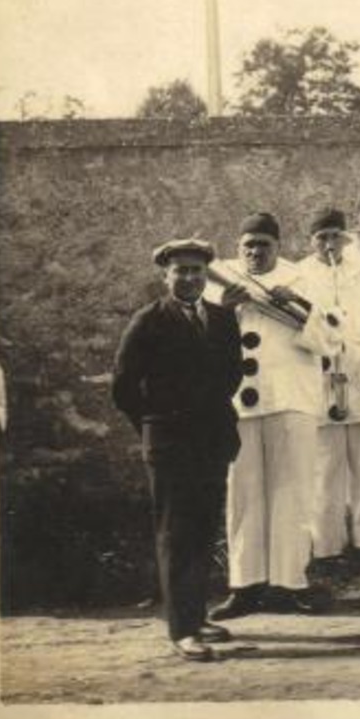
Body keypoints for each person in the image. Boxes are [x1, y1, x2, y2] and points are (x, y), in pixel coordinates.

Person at [112, 239, 243, 662]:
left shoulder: (222, 318)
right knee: (176, 534)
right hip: (169, 445)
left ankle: (197, 614)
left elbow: (231, 376)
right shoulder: (148, 321)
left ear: (207, 275)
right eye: (180, 270)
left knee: (204, 530)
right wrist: (155, 426)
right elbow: (124, 387)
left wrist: (212, 420)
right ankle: (182, 630)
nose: (189, 277)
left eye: (197, 270)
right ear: (164, 275)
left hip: (212, 442)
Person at [208, 212, 330, 621]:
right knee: (243, 494)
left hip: (292, 399)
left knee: (292, 492)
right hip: (239, 402)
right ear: (239, 247)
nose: (256, 252)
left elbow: (333, 340)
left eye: (264, 245)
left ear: (278, 247)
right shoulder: (218, 279)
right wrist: (224, 311)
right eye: (249, 245)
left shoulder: (305, 280)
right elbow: (201, 336)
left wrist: (295, 306)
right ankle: (245, 585)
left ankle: (290, 583)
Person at [301, 207, 360, 569]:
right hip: (321, 384)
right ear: (311, 241)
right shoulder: (300, 275)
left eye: (336, 236)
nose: (330, 244)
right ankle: (327, 550)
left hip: (359, 379)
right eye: (322, 238)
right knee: (325, 473)